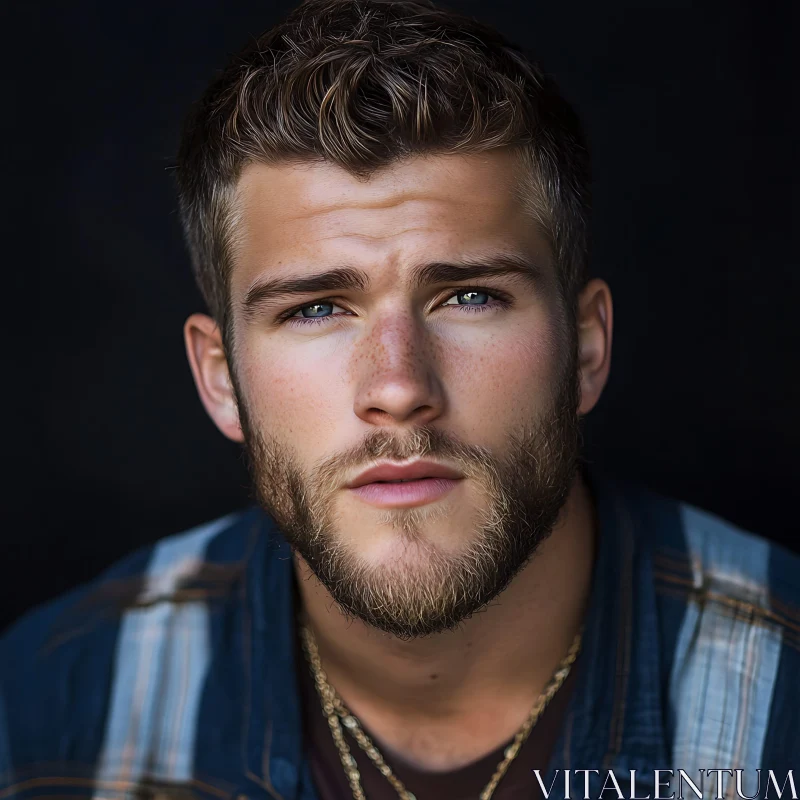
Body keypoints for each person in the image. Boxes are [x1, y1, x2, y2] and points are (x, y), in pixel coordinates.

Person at [2, 1, 798, 798]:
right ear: (219, 378)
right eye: (314, 309)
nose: (398, 389)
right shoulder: (51, 710)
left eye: (469, 297)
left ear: (587, 348)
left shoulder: (784, 696)